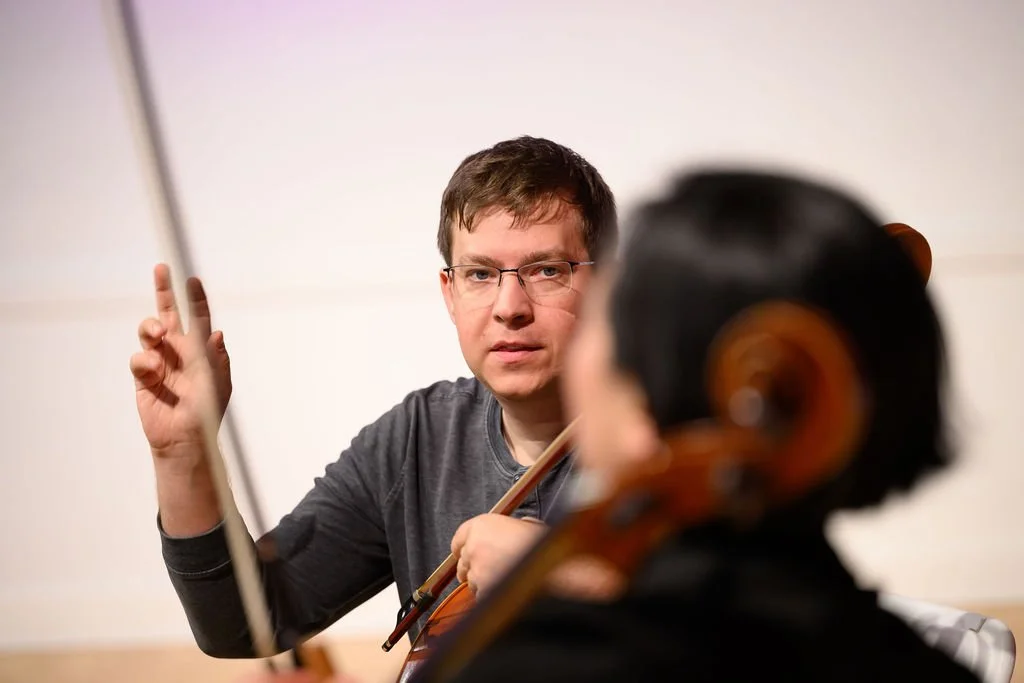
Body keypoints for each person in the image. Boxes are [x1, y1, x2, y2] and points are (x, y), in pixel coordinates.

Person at [409, 168, 982, 682]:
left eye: (603, 326)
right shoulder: (919, 667)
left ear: (641, 406)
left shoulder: (559, 662)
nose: (512, 308)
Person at [128, 135, 618, 657]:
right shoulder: (415, 440)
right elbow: (244, 621)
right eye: (479, 274)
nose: (509, 307)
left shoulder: (661, 439)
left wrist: (563, 574)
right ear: (450, 294)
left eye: (546, 271)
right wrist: (183, 455)